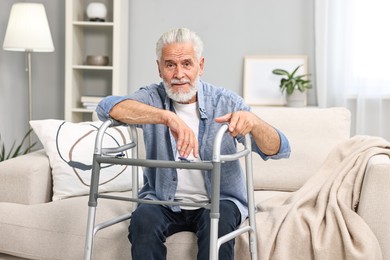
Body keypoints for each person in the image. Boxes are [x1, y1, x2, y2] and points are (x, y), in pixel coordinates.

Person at [96, 27, 290, 260]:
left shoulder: (225, 101)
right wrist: (168, 118)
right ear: (159, 69)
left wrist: (255, 123)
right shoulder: (151, 98)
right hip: (162, 200)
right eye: (170, 65)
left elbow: (279, 149)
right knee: (142, 221)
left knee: (219, 223)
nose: (179, 73)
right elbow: (106, 107)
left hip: (219, 199)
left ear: (201, 65)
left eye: (187, 63)